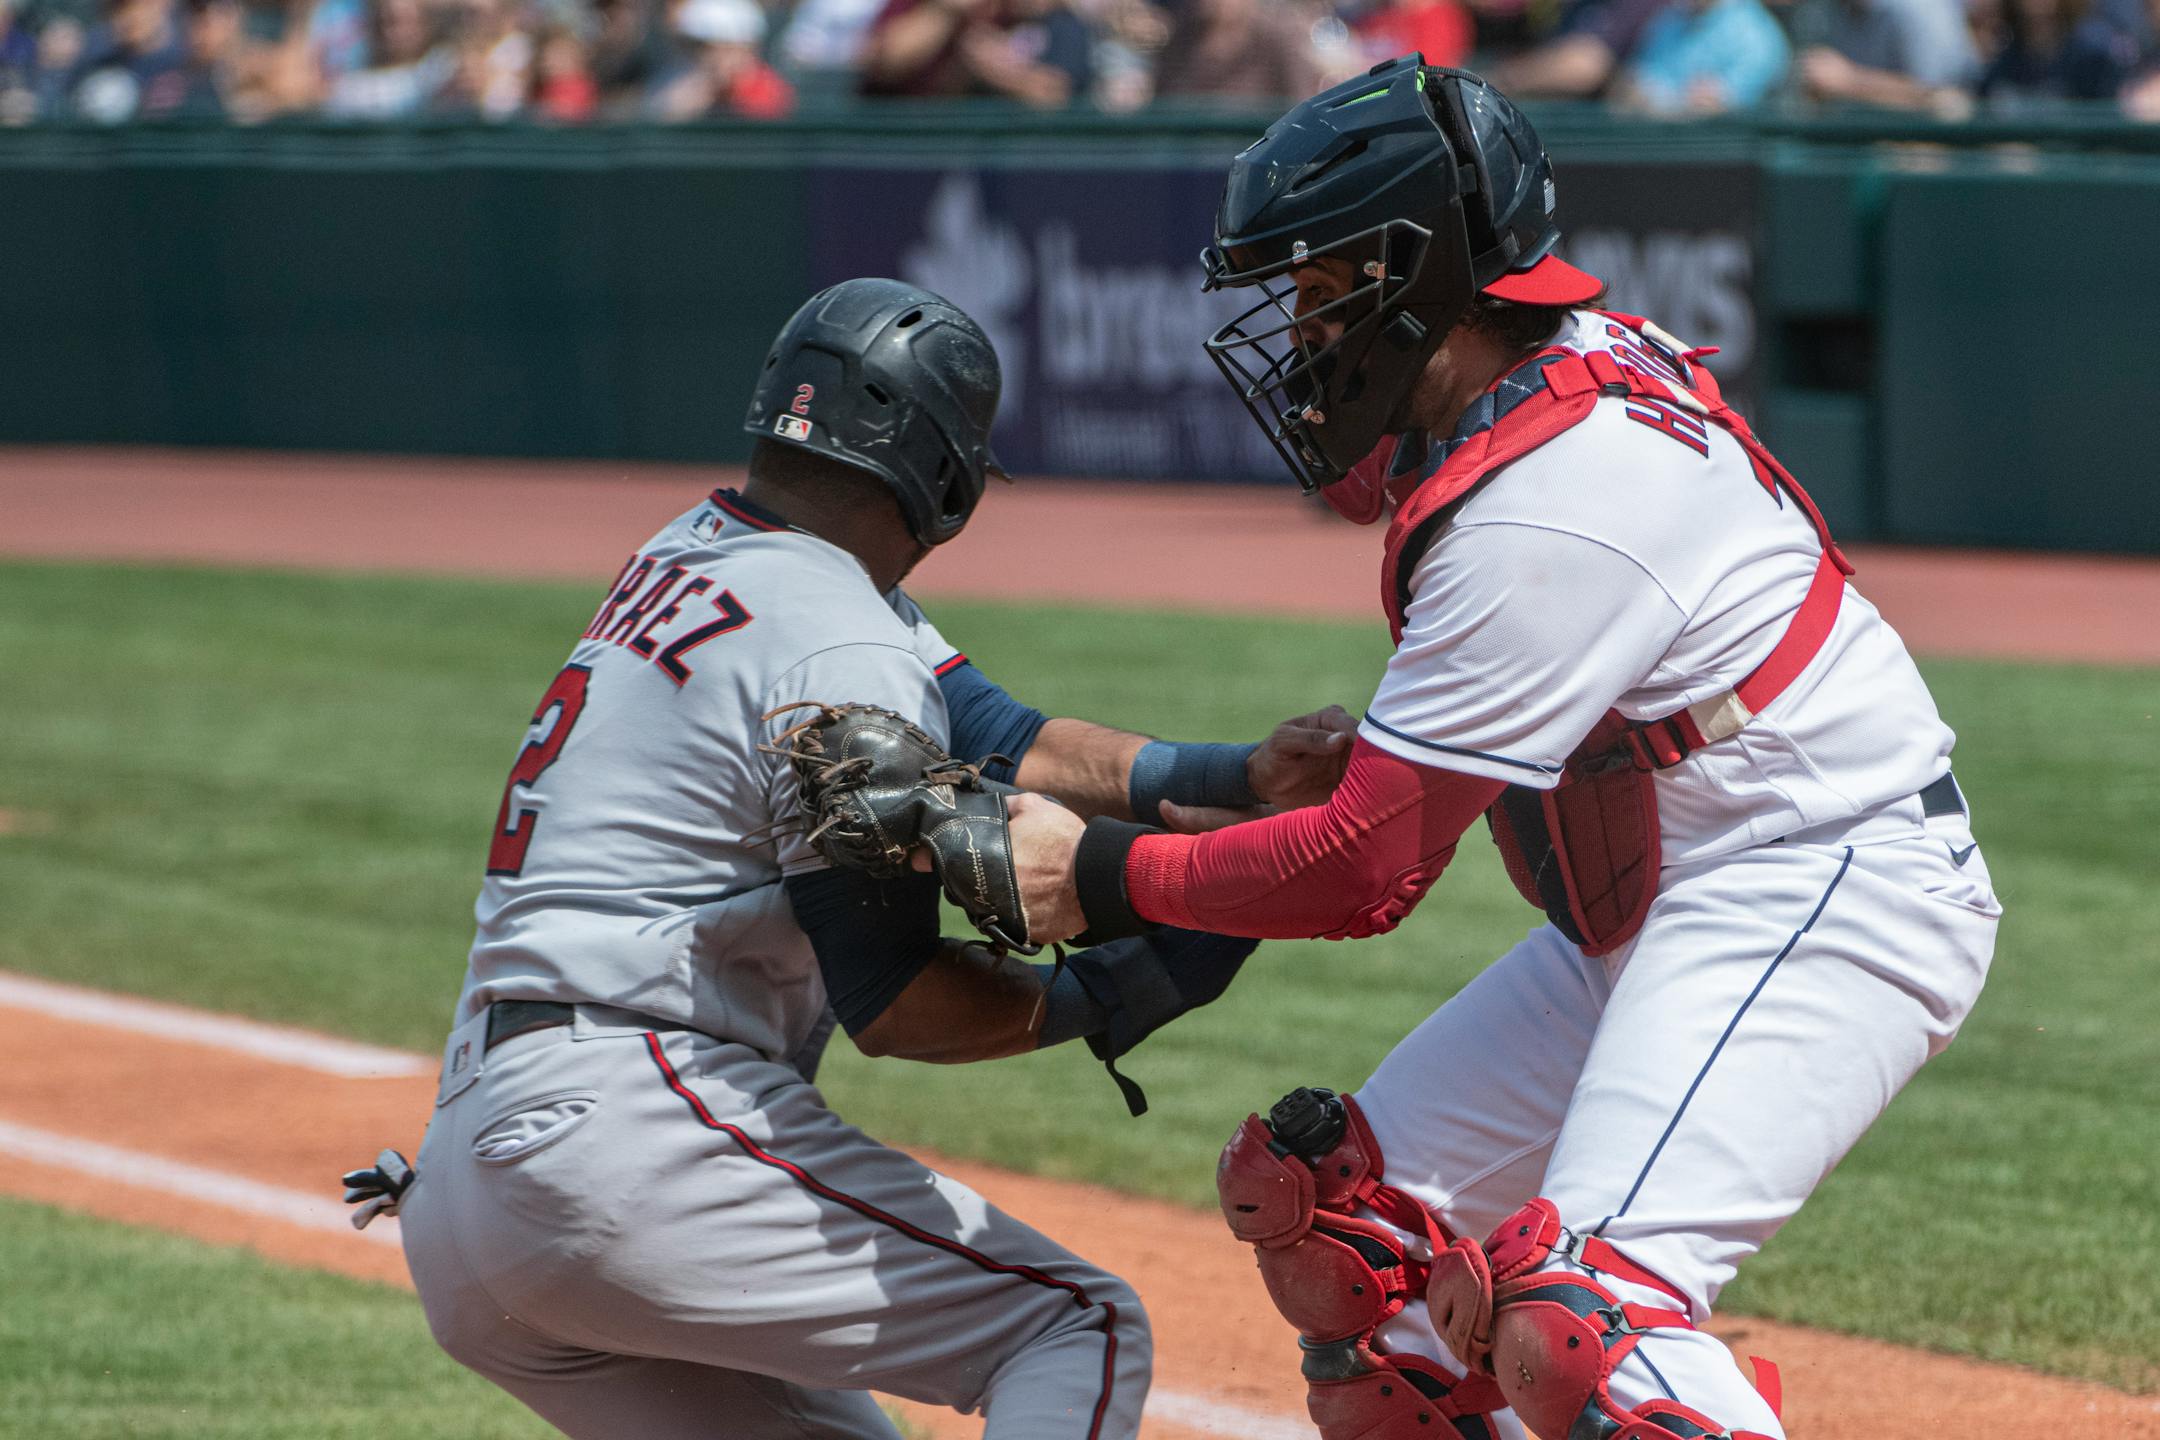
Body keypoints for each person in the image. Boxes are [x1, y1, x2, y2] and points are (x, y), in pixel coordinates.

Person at [1001, 59, 2000, 1440]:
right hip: (1665, 891)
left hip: (1820, 877)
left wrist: (1102, 872)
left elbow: (1364, 867)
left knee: (1581, 1324)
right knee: (1350, 1245)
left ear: (1421, 280)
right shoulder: (1532, 381)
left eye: (1320, 286)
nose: (1297, 329)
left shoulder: (1552, 505)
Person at [350, 277, 1356, 1440]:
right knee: (1076, 1328)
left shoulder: (705, 552)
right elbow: (894, 1000)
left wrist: (1239, 776)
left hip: (474, 1176)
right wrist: (1139, 975)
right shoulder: (835, 628)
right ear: (946, 476)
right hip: (627, 1136)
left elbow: (995, 733)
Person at [1789, 0, 1979, 110]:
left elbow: (1943, 98)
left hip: (1929, 153)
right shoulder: (1824, 10)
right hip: (1858, 149)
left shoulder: (1917, 10)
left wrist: (1850, 82)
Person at [1612, 0, 1792, 112]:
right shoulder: (1668, 20)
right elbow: (1635, 83)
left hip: (1721, 159)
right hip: (1655, 149)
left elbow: (1722, 107)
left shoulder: (1756, 34)